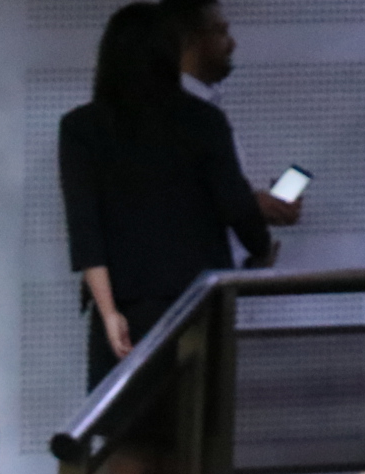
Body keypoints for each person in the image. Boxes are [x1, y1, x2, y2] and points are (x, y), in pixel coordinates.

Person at [61, 4, 272, 388]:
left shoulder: (81, 127)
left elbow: (85, 231)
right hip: (199, 301)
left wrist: (109, 314)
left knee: (125, 414)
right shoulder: (204, 120)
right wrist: (260, 249)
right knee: (196, 412)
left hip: (128, 302)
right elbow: (237, 206)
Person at [164, 1, 304, 231]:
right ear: (190, 39)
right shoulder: (168, 112)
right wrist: (250, 205)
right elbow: (168, 199)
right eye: (221, 32)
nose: (232, 44)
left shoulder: (208, 108)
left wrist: (256, 212)